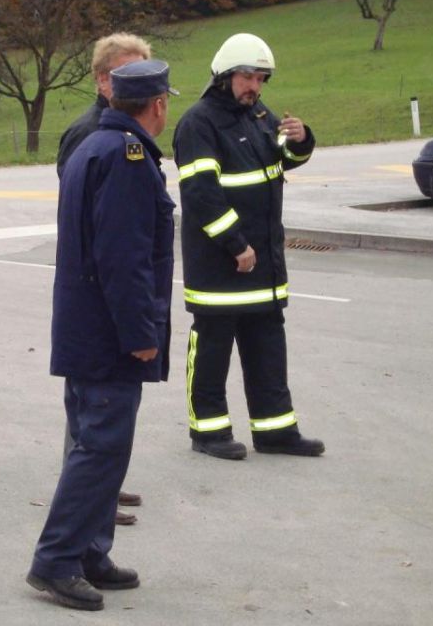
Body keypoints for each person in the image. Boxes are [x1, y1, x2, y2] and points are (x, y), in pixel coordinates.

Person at [27, 60, 176, 611]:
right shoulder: (126, 157)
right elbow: (123, 257)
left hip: (86, 323)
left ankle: (90, 552)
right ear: (156, 104)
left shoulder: (96, 145)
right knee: (101, 449)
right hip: (108, 332)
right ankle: (56, 561)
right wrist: (140, 332)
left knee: (99, 446)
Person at [172, 33, 324, 460]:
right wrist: (235, 244)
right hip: (222, 263)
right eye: (246, 76)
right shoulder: (198, 123)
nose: (254, 86)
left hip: (263, 263)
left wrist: (299, 140)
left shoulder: (257, 114)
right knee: (213, 350)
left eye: (260, 78)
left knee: (268, 350)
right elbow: (201, 194)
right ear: (223, 76)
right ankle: (209, 432)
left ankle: (276, 431)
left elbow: (281, 161)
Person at [56, 32, 152, 525]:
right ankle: (92, 495)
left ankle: (102, 489)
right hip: (95, 302)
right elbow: (99, 231)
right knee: (91, 415)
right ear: (101, 80)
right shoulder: (93, 135)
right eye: (124, 74)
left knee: (101, 416)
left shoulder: (123, 135)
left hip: (99, 298)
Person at [56, 32, 152, 177]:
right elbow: (77, 194)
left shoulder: (137, 127)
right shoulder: (85, 132)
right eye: (127, 75)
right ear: (103, 80)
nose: (137, 83)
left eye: (141, 75)